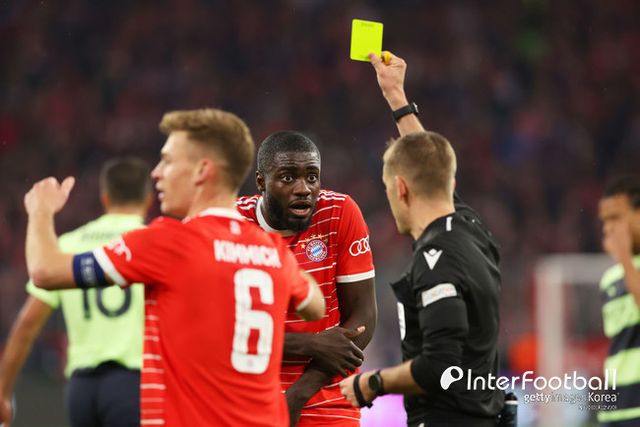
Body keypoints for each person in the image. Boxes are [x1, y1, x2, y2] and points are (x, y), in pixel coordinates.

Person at [22, 108, 326, 427]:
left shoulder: (168, 242)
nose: (156, 173)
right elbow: (315, 306)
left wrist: (41, 211)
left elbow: (45, 271)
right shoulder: (273, 252)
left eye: (167, 161)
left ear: (202, 170)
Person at [339, 52, 504, 426]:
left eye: (388, 189)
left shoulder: (437, 257)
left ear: (400, 188)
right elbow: (428, 162)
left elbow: (440, 367)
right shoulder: (472, 228)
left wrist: (371, 383)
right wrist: (396, 97)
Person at [236, 130, 377, 426]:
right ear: (261, 182)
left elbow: (363, 316)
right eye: (288, 178)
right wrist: (309, 344)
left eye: (312, 177)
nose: (303, 189)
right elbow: (219, 331)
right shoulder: (232, 224)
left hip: (326, 399)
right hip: (246, 397)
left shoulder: (339, 212)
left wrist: (298, 395)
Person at [0, 156, 152, 427]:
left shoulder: (68, 245)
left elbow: (26, 324)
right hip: (134, 383)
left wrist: (3, 391)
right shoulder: (154, 242)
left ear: (105, 198)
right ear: (149, 199)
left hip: (82, 389)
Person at [597, 175, 640, 427]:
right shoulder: (610, 279)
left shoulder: (625, 269)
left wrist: (624, 256)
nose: (607, 228)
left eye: (615, 218)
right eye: (604, 221)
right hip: (614, 410)